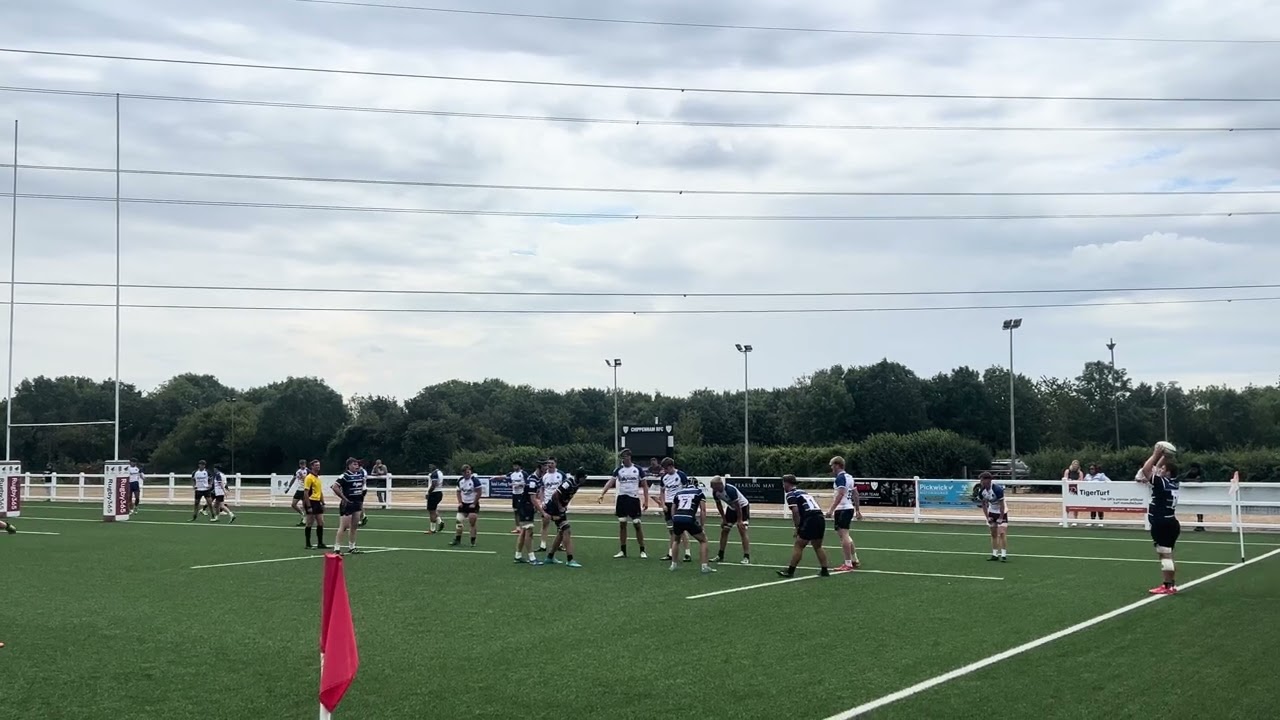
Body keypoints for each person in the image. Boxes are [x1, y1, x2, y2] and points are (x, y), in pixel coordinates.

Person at [1138, 443, 1181, 594]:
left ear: (1167, 472)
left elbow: (1146, 470)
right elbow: (1154, 470)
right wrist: (1165, 457)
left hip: (1161, 522)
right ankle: (1171, 584)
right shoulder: (1173, 483)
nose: (1159, 469)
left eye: (1163, 469)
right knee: (1167, 553)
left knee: (1164, 555)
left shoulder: (1161, 482)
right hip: (1171, 522)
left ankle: (1167, 585)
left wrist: (1156, 454)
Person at [598, 448, 649, 559]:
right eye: (621, 457)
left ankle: (642, 550)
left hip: (633, 499)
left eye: (624, 457)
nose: (623, 459)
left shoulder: (638, 469)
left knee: (637, 524)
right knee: (622, 524)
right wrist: (602, 493)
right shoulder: (619, 470)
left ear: (629, 457)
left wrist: (646, 500)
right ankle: (623, 550)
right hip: (622, 499)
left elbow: (645, 485)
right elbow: (610, 482)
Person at [778, 475, 830, 578]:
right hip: (819, 517)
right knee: (817, 546)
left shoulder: (791, 494)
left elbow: (795, 511)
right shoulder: (803, 492)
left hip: (810, 518)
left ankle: (790, 571)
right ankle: (825, 570)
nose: (783, 486)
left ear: (787, 483)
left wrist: (797, 527)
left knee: (799, 545)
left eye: (783, 483)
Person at [668, 474, 716, 574]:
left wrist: (674, 519)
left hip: (677, 517)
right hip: (689, 518)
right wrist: (702, 525)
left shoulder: (679, 493)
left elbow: (673, 508)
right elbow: (703, 510)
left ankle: (673, 565)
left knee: (676, 540)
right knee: (703, 540)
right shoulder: (698, 492)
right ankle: (704, 566)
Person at [826, 456, 863, 571]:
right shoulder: (849, 477)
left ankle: (848, 563)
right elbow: (855, 494)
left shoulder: (840, 478)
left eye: (832, 465)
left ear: (837, 465)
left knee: (844, 536)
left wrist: (831, 509)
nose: (831, 468)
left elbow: (841, 494)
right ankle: (854, 559)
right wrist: (857, 510)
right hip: (848, 508)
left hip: (842, 509)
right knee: (845, 535)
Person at [542, 468, 585, 568]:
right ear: (579, 477)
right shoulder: (568, 483)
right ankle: (570, 559)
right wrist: (560, 507)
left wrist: (565, 506)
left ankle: (550, 557)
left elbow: (567, 497)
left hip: (559, 509)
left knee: (562, 532)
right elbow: (555, 495)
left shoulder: (577, 485)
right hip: (554, 508)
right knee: (566, 529)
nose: (585, 480)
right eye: (584, 477)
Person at [709, 476, 751, 564]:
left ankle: (746, 557)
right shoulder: (715, 492)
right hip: (731, 508)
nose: (712, 489)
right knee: (725, 530)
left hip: (742, 507)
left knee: (742, 530)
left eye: (714, 487)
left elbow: (738, 506)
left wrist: (739, 520)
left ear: (719, 485)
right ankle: (720, 555)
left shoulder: (730, 490)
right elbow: (719, 505)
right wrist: (724, 519)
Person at [657, 458, 691, 562]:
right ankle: (671, 553)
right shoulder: (664, 477)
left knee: (682, 529)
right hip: (668, 504)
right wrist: (663, 504)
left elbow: (687, 490)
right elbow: (662, 491)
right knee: (671, 530)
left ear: (671, 466)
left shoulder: (681, 475)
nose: (665, 470)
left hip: (678, 504)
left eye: (666, 468)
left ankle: (687, 553)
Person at [331, 457, 367, 554]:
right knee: (344, 526)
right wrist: (344, 498)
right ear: (349, 466)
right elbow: (335, 487)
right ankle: (337, 548)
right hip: (348, 503)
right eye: (354, 464)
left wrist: (361, 500)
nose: (357, 466)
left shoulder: (360, 475)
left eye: (357, 464)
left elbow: (362, 487)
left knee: (354, 526)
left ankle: (352, 547)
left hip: (357, 503)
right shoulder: (344, 476)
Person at [512, 464, 542, 564]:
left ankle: (518, 556)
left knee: (524, 532)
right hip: (526, 507)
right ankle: (532, 558)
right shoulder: (532, 480)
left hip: (527, 506)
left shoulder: (537, 478)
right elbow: (532, 498)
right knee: (529, 532)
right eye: (545, 467)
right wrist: (542, 511)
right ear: (539, 468)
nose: (547, 469)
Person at [976, 472, 1009, 562]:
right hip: (992, 511)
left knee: (1002, 532)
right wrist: (987, 517)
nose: (981, 482)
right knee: (993, 533)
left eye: (983, 480)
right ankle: (995, 554)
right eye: (981, 480)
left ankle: (1003, 554)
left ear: (989, 480)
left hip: (1002, 511)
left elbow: (1002, 505)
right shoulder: (982, 491)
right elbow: (983, 504)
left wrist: (1001, 517)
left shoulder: (997, 489)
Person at [450, 465, 482, 547]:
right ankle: (457, 539)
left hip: (472, 504)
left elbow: (479, 492)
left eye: (468, 472)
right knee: (459, 520)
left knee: (472, 522)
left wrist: (474, 503)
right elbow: (458, 492)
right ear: (462, 473)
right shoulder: (460, 480)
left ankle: (472, 541)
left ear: (470, 472)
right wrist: (460, 502)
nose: (467, 474)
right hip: (463, 504)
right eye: (465, 472)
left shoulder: (475, 480)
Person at [301, 460, 329, 550]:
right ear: (312, 466)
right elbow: (306, 493)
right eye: (316, 465)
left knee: (321, 522)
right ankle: (308, 543)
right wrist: (308, 506)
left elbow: (320, 492)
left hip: (317, 502)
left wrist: (323, 503)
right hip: (311, 501)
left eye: (319, 465)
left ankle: (320, 543)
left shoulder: (318, 478)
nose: (318, 467)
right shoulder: (309, 478)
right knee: (309, 522)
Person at [538, 459, 564, 552]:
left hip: (558, 503)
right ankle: (543, 545)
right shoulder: (544, 476)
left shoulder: (561, 474)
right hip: (547, 503)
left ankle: (559, 544)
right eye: (548, 463)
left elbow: (565, 488)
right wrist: (542, 502)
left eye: (552, 463)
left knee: (560, 525)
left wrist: (563, 503)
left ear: (555, 464)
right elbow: (541, 489)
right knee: (545, 524)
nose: (550, 465)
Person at [506, 461, 527, 535]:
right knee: (516, 511)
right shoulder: (512, 474)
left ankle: (525, 527)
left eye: (516, 465)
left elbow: (527, 483)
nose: (514, 467)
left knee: (522, 511)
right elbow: (504, 477)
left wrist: (519, 485)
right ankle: (518, 528)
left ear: (519, 466)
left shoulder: (523, 473)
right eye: (513, 466)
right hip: (514, 494)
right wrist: (496, 477)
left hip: (522, 494)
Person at [424, 464, 445, 534]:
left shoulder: (434, 474)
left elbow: (433, 484)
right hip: (439, 492)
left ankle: (432, 529)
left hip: (434, 493)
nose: (429, 468)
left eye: (430, 466)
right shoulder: (440, 472)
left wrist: (428, 492)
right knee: (433, 509)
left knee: (431, 511)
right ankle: (440, 521)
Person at [1063, 460, 1084, 526]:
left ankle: (1075, 520)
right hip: (1068, 490)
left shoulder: (1080, 472)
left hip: (1076, 490)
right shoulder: (1067, 471)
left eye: (1076, 464)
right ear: (1072, 464)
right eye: (1074, 464)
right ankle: (1065, 518)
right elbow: (1065, 479)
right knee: (1066, 505)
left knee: (1075, 505)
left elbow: (1081, 481)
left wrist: (1074, 481)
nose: (1075, 465)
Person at [289, 460, 308, 526]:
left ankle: (305, 520)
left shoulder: (308, 471)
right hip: (299, 490)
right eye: (301, 464)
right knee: (293, 504)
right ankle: (302, 514)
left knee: (305, 505)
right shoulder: (297, 471)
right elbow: (293, 479)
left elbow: (307, 480)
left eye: (304, 464)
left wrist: (302, 476)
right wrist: (288, 487)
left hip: (305, 490)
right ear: (299, 465)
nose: (303, 466)